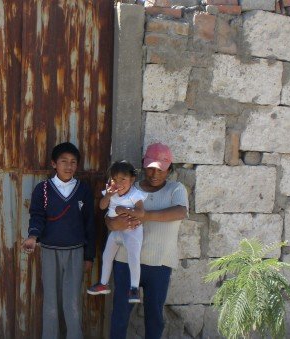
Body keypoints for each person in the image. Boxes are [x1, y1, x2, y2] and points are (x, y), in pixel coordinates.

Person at [107, 143, 188, 339]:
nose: (154, 174)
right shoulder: (130, 188)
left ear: (169, 169)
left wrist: (143, 215)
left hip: (158, 263)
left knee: (154, 317)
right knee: (120, 315)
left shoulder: (175, 189)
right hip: (125, 262)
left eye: (160, 169)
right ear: (143, 166)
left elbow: (180, 212)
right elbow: (109, 220)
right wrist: (114, 223)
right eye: (150, 168)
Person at [21, 142, 95, 339]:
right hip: (49, 251)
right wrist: (32, 237)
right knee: (51, 303)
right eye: (63, 161)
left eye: (73, 162)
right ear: (54, 164)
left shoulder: (83, 190)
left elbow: (89, 224)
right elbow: (36, 215)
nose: (68, 166)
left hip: (76, 252)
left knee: (72, 303)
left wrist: (89, 256)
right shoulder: (43, 189)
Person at [87, 161, 147, 304]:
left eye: (123, 179)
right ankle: (103, 283)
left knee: (133, 257)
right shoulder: (111, 192)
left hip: (132, 231)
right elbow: (102, 207)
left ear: (132, 180)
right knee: (107, 255)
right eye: (115, 179)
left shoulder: (135, 194)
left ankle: (134, 288)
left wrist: (125, 210)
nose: (118, 183)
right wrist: (107, 196)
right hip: (116, 231)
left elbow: (141, 212)